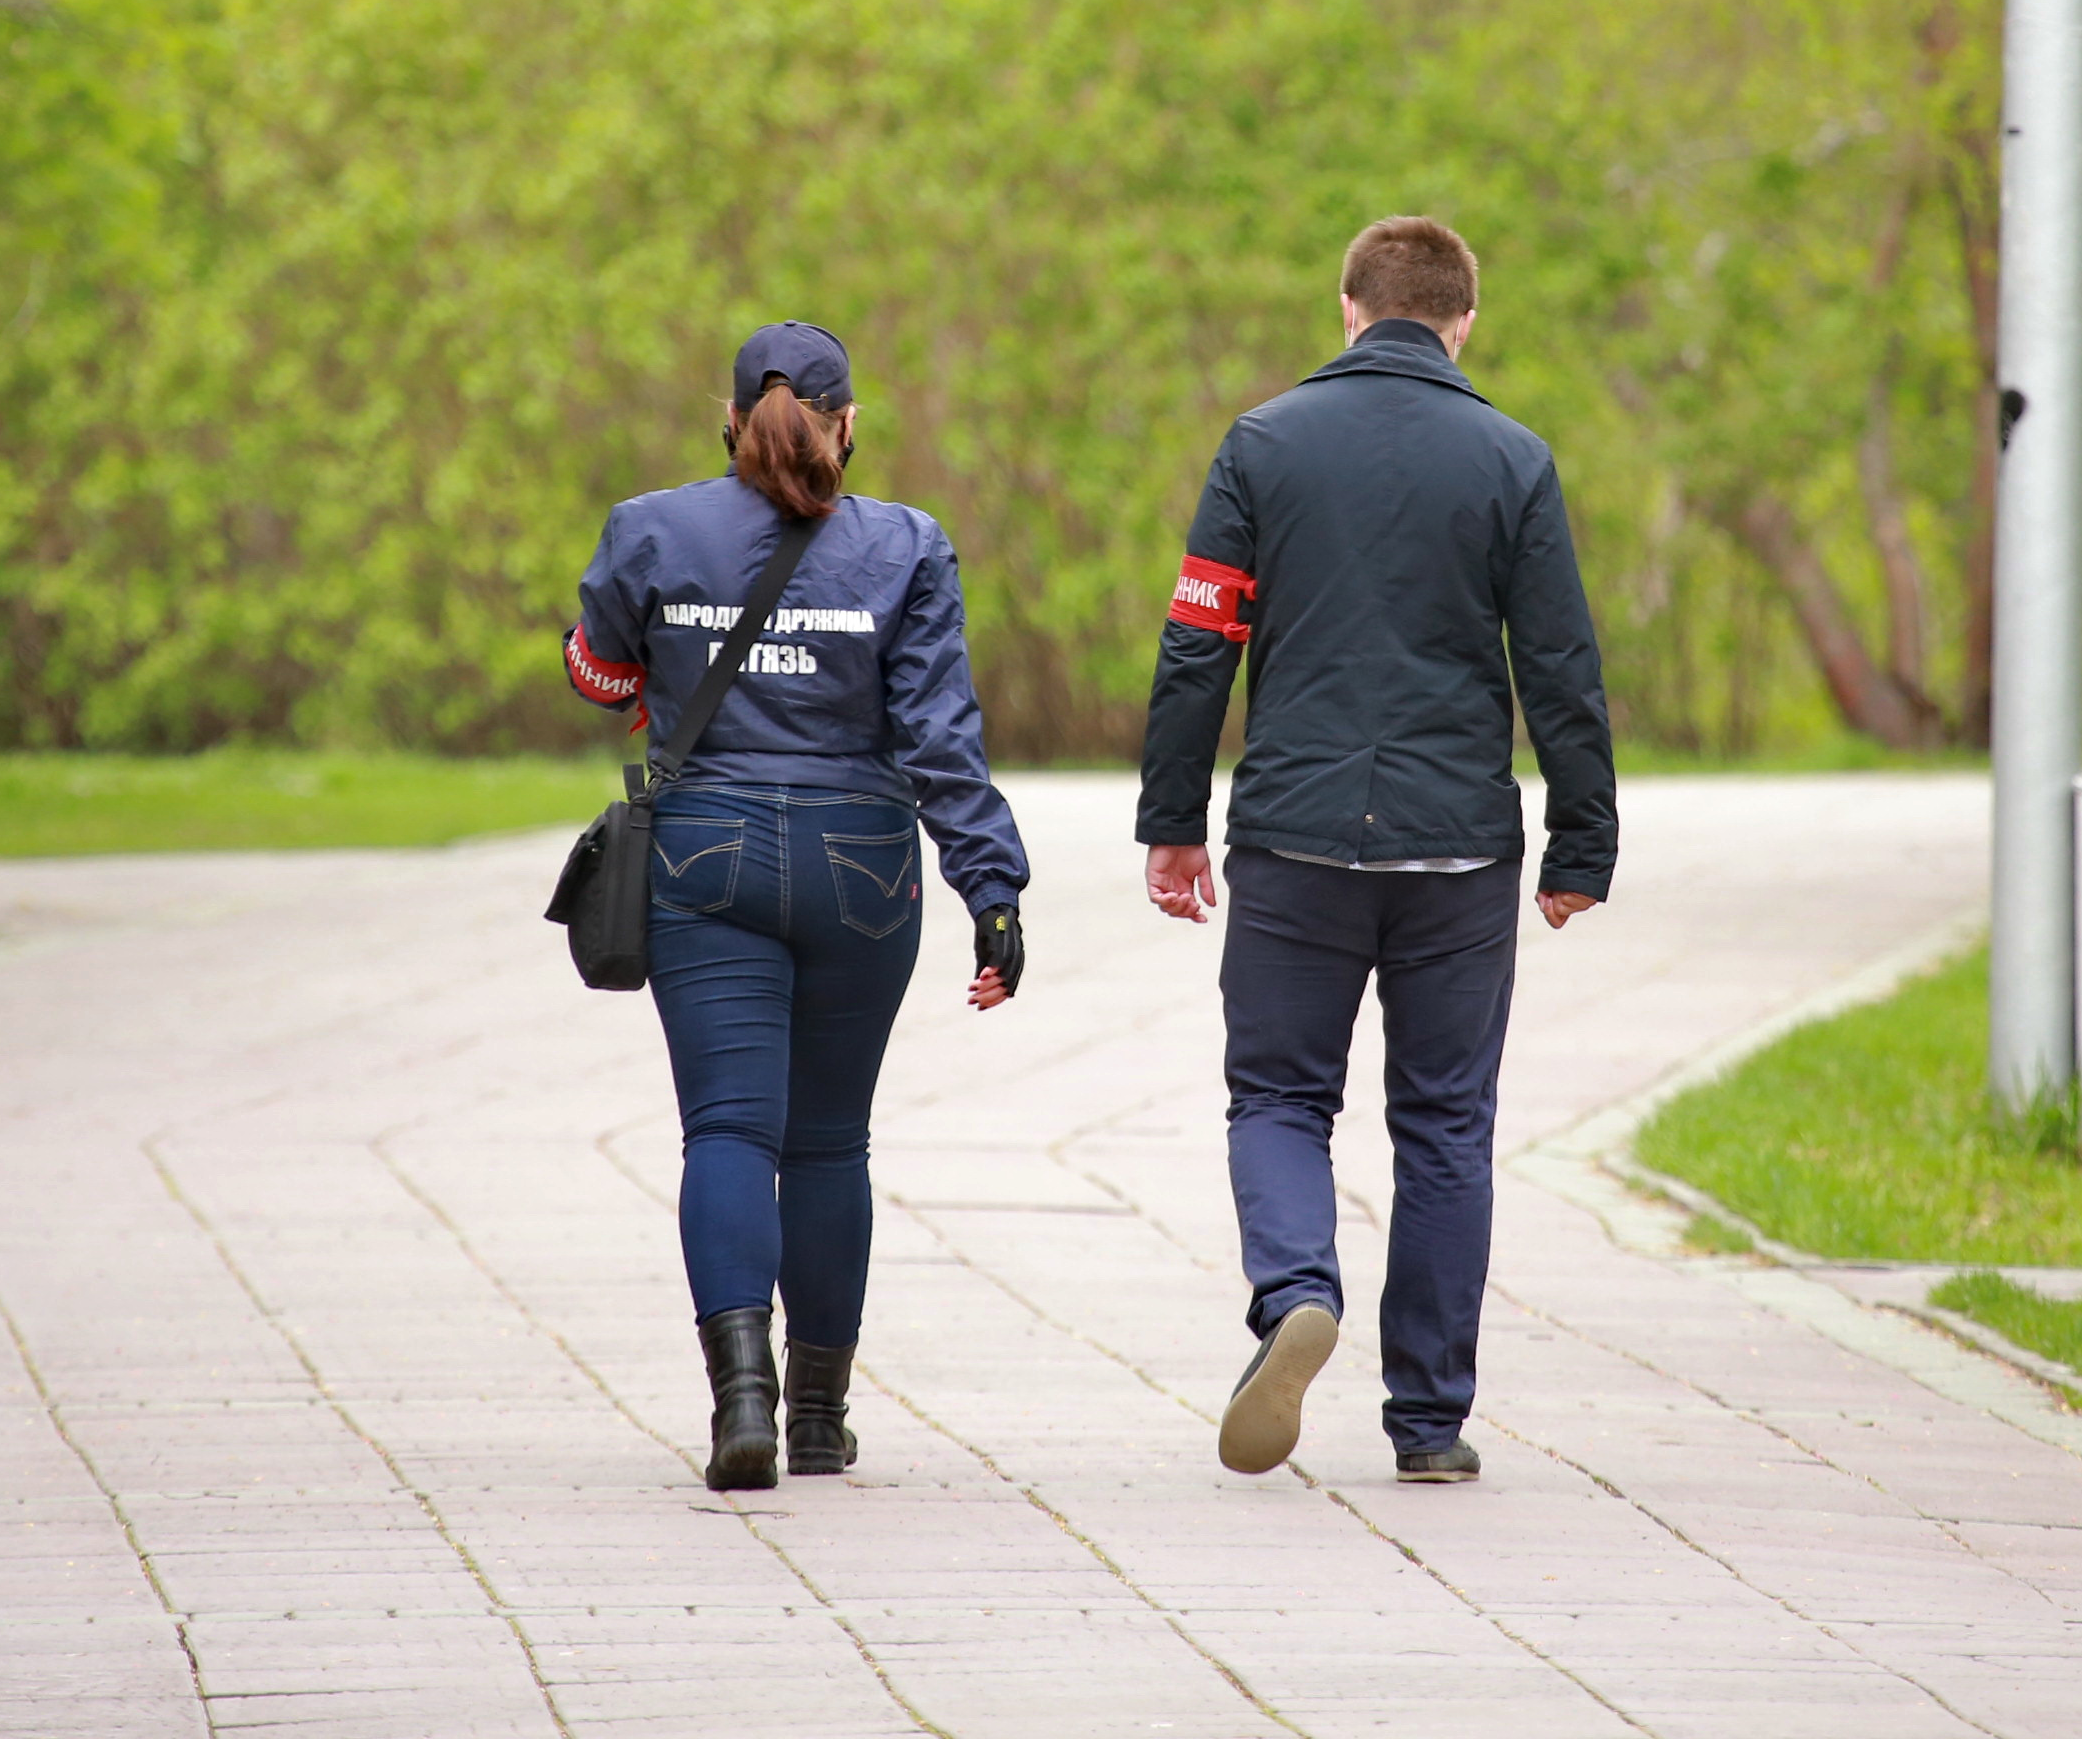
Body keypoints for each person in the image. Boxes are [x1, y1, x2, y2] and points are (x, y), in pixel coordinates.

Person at [1138, 216, 1616, 1485]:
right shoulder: (1514, 458)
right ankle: (1430, 1421)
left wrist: (1174, 821)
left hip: (1294, 835)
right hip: (1457, 847)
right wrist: (1583, 838)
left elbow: (1202, 642)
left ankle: (1298, 1289)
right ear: (1464, 319)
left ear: (1347, 307)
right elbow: (1561, 663)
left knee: (1282, 1096)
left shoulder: (1264, 443)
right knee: (1447, 1123)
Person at [566, 320, 1030, 1492]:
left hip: (707, 853)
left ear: (728, 421)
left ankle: (744, 1405)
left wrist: (659, 663)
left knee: (728, 1129)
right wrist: (993, 888)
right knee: (829, 1142)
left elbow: (597, 672)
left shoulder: (651, 527)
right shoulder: (908, 545)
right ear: (848, 424)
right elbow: (937, 734)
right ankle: (821, 1420)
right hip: (862, 862)